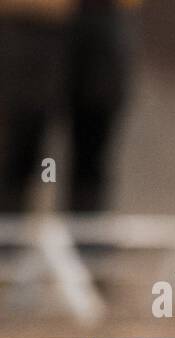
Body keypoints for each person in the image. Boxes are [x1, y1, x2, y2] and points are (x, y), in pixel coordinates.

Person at [0, 0, 139, 213]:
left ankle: (88, 242)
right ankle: (7, 240)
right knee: (18, 150)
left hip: (106, 13)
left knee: (94, 153)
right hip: (30, 16)